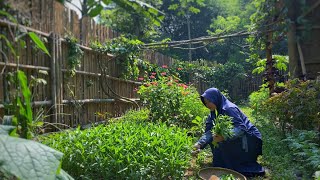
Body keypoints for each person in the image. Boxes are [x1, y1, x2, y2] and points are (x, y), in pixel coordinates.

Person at [193, 87, 265, 177]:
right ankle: (225, 161)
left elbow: (241, 128)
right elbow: (210, 132)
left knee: (235, 164)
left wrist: (223, 137)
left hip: (249, 139)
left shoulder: (229, 108)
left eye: (209, 101)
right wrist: (199, 144)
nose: (207, 105)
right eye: (205, 103)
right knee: (214, 139)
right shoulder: (213, 113)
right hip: (237, 136)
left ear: (215, 98)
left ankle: (239, 160)